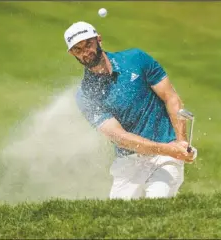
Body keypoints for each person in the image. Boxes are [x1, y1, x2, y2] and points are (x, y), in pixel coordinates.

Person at [64, 21, 197, 200]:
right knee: (119, 217)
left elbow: (171, 97)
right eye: (78, 50)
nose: (85, 52)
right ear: (72, 53)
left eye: (88, 44)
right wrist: (168, 149)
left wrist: (180, 143)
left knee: (157, 202)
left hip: (165, 156)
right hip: (129, 161)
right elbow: (119, 137)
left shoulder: (136, 59)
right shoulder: (86, 94)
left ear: (99, 40)